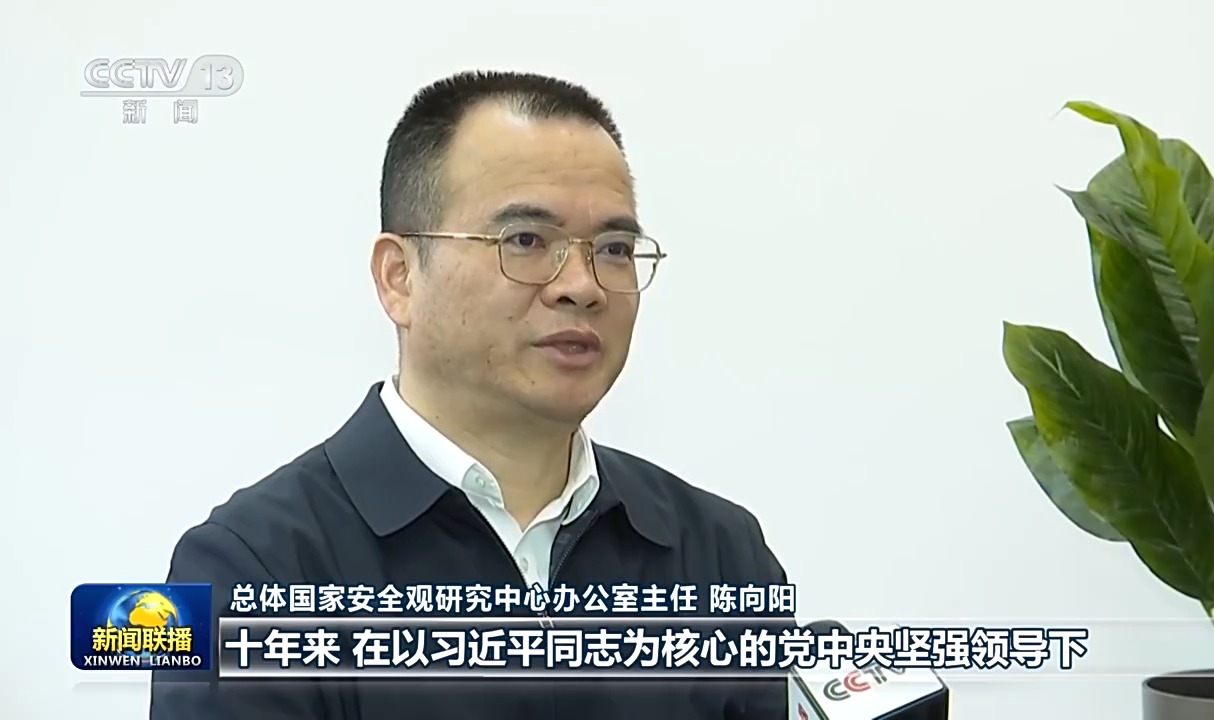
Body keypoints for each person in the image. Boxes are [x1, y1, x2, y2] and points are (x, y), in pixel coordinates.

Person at [149, 70, 793, 720]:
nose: (583, 286)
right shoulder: (249, 566)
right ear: (399, 277)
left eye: (614, 248)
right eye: (526, 241)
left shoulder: (720, 554)